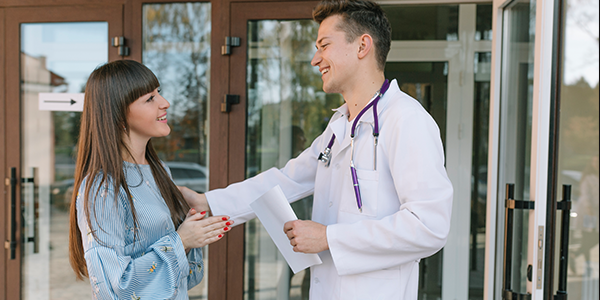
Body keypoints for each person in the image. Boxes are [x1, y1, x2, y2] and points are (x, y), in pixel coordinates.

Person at [183, 0, 453, 298]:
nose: (315, 59)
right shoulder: (339, 125)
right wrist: (207, 201)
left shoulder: (406, 119)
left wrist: (328, 237)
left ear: (363, 46)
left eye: (324, 45)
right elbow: (286, 180)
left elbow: (429, 226)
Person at [68, 60, 232, 299]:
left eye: (159, 93)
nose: (165, 103)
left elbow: (187, 279)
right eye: (149, 99)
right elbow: (114, 289)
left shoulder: (160, 171)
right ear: (118, 113)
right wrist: (181, 240)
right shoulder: (103, 187)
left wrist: (192, 232)